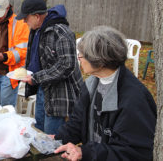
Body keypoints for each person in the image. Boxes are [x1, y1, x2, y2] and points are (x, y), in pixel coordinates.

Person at [54, 26, 156, 161]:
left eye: (82, 55)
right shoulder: (91, 84)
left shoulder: (134, 99)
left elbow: (131, 152)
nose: (79, 58)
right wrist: (57, 139)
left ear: (99, 60)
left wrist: (86, 153)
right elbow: (77, 121)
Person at [17, 0, 83, 135]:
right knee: (39, 131)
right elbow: (36, 57)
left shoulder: (61, 32)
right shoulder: (37, 30)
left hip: (60, 95)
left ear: (36, 16)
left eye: (26, 18)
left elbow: (67, 65)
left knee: (52, 139)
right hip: (43, 89)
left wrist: (35, 78)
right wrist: (27, 71)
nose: (24, 21)